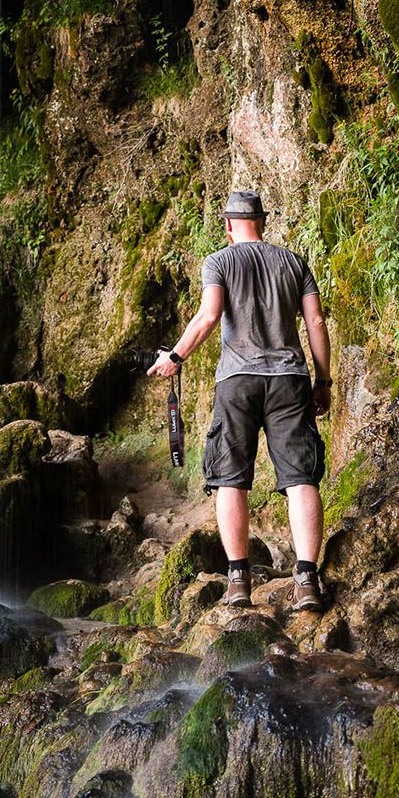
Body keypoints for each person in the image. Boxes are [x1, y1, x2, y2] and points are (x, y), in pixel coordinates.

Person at [147, 190, 332, 612]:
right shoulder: (293, 262)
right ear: (262, 223)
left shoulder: (219, 261)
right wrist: (322, 381)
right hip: (289, 379)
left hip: (237, 381)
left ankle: (238, 581)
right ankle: (306, 580)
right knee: (301, 477)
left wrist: (175, 357)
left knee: (231, 478)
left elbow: (209, 315)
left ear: (228, 225)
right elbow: (316, 321)